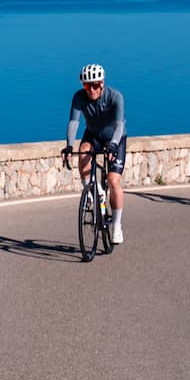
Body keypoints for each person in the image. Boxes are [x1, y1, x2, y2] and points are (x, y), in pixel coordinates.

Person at [64, 63, 127, 244]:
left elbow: (119, 125)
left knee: (113, 181)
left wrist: (113, 144)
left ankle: (116, 226)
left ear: (102, 84)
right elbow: (74, 122)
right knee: (83, 151)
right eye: (86, 85)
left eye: (95, 85)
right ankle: (93, 192)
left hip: (115, 138)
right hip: (93, 135)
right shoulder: (79, 97)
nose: (91, 89)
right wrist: (69, 146)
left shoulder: (115, 96)